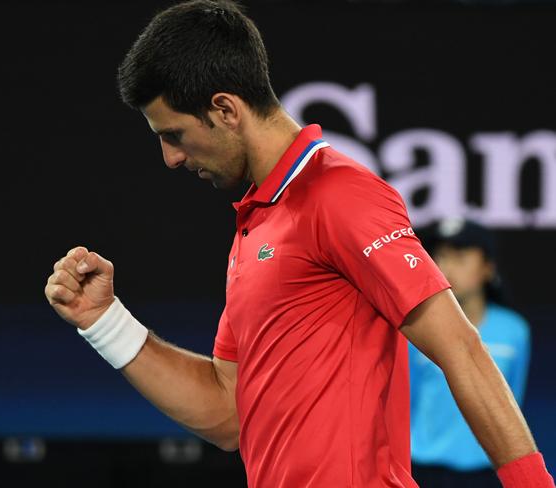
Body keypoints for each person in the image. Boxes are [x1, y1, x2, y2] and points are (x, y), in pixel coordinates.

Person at [44, 1, 554, 487]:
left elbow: (462, 349)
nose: (170, 159)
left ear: (224, 109)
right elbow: (229, 414)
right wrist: (105, 321)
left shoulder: (339, 193)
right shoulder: (256, 225)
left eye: (174, 134)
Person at [409, 218, 531, 487]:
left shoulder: (515, 331)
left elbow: (512, 402)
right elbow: (407, 400)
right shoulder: (415, 326)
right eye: (440, 256)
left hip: (487, 472)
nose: (447, 267)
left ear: (488, 268)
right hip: (422, 470)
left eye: (461, 257)